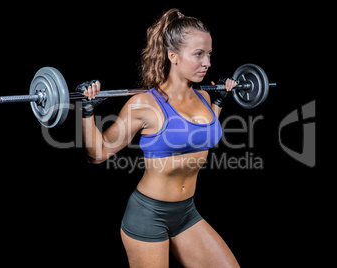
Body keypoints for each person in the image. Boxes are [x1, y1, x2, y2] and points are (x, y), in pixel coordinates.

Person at [77, 8, 240, 268]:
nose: (207, 62)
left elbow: (201, 134)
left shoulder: (205, 97)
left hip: (186, 212)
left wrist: (220, 98)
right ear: (172, 55)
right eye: (198, 54)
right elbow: (97, 155)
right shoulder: (144, 104)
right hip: (148, 214)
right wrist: (87, 111)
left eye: (209, 54)